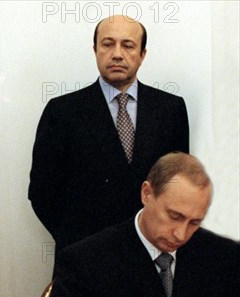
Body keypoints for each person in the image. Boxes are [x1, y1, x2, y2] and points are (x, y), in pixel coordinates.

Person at [35, 152, 239, 297]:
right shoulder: (87, 259)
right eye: (174, 216)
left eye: (194, 222)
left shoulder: (224, 256)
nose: (181, 234)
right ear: (147, 194)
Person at [28, 15, 189, 259]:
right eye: (107, 44)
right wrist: (77, 240)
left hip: (152, 255)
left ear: (142, 54)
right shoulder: (62, 111)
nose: (116, 54)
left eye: (127, 45)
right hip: (84, 256)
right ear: (95, 50)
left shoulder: (170, 109)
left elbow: (176, 186)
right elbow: (42, 192)